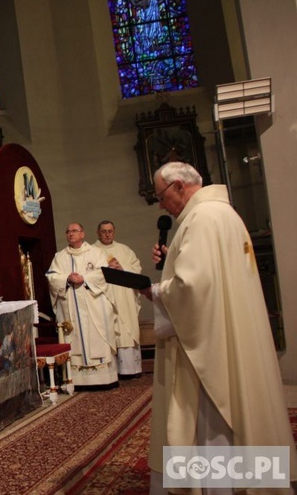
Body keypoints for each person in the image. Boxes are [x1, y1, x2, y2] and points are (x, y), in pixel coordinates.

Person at [141, 162, 297, 491]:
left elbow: (192, 289)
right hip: (233, 336)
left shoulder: (200, 219)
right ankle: (256, 482)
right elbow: (212, 276)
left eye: (161, 195)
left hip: (210, 349)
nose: (160, 204)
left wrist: (153, 291)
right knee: (245, 409)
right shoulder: (223, 214)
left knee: (211, 423)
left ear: (179, 186)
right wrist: (173, 257)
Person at [46, 222, 118, 388]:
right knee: (74, 338)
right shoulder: (60, 256)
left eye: (75, 231)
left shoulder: (96, 253)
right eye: (68, 231)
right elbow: (51, 276)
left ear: (83, 234)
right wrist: (66, 278)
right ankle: (76, 380)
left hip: (94, 304)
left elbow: (104, 273)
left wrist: (84, 278)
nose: (71, 234)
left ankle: (103, 379)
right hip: (70, 304)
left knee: (97, 335)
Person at [93, 220, 143, 378]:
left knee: (127, 329)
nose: (107, 234)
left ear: (114, 232)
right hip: (106, 297)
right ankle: (112, 372)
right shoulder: (92, 251)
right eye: (104, 231)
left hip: (124, 297)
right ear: (98, 233)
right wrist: (106, 270)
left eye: (110, 231)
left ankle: (130, 371)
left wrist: (123, 268)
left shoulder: (125, 250)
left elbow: (137, 269)